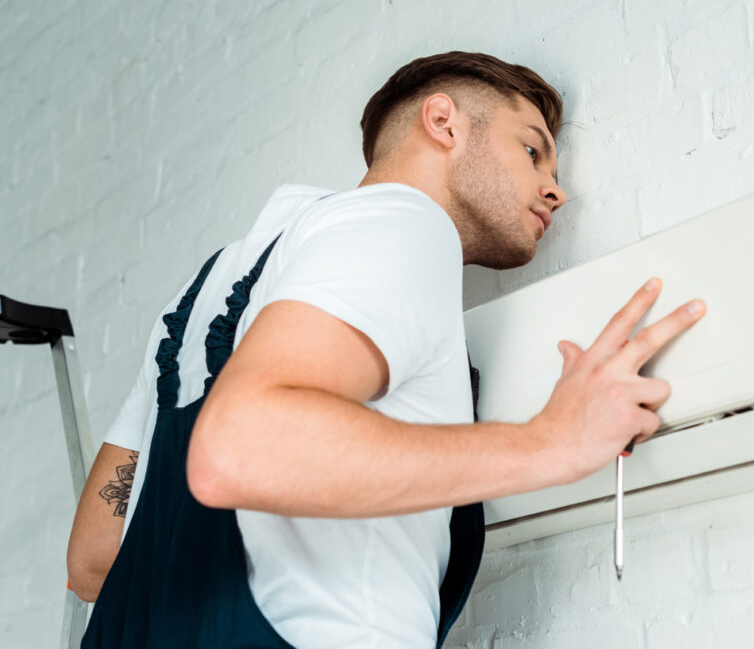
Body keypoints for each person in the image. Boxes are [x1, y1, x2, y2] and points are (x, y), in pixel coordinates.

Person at [66, 51, 706, 648]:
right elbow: (239, 448)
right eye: (533, 151)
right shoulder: (403, 221)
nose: (555, 190)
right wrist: (554, 441)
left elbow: (94, 559)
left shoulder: (212, 285)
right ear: (443, 121)